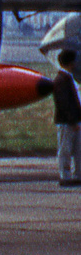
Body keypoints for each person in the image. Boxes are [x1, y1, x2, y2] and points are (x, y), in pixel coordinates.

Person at [54, 49, 81, 186]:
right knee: (65, 149)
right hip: (67, 122)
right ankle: (65, 176)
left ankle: (76, 175)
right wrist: (72, 121)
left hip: (74, 121)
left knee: (77, 150)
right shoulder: (61, 80)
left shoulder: (67, 79)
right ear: (70, 63)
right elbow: (63, 103)